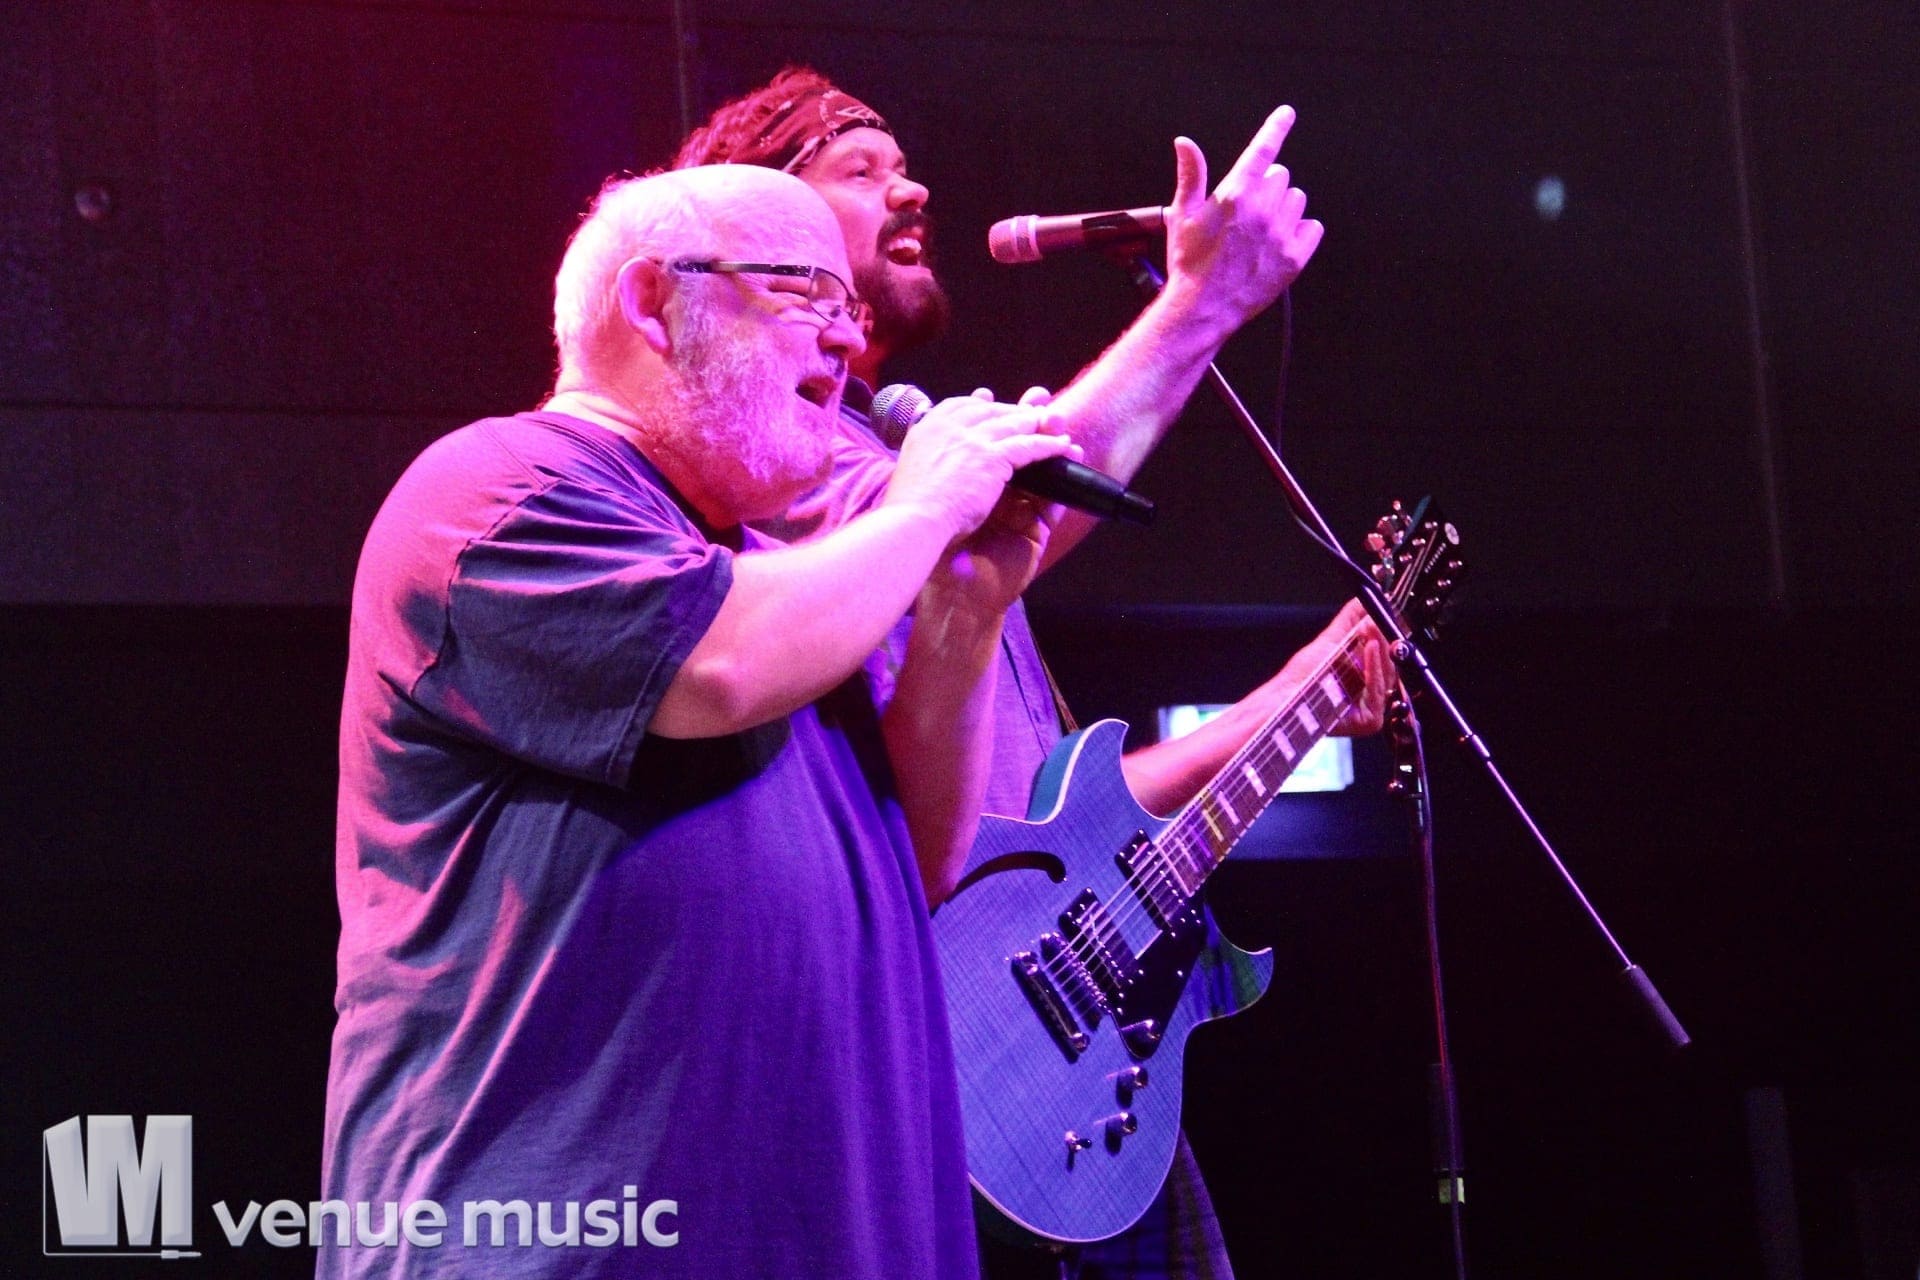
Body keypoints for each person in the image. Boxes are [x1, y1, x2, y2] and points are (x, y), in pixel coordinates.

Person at [673, 70, 1391, 1279]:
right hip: (930, 1056)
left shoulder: (890, 452)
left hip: (1061, 1058)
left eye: (905, 166)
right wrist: (1202, 302)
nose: (914, 189)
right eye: (861, 168)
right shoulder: (777, 454)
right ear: (758, 231)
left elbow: (1066, 821)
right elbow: (1017, 508)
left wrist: (1302, 689)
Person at [320, 163, 1078, 1278]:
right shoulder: (502, 488)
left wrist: (966, 607)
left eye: (850, 305)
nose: (847, 340)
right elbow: (716, 668)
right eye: (808, 293)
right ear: (649, 301)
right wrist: (924, 505)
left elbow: (918, 862)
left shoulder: (777, 579)